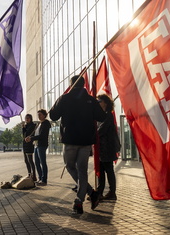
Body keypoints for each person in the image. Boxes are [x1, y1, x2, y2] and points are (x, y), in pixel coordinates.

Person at [49, 75, 106, 214]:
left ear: (71, 84)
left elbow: (53, 116)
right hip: (86, 141)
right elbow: (102, 117)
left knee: (70, 167)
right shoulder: (91, 100)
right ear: (84, 84)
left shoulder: (65, 98)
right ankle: (85, 197)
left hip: (70, 140)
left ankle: (87, 196)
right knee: (82, 171)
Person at [96, 94, 118, 200]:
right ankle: (100, 191)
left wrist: (92, 135)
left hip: (107, 148)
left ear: (105, 102)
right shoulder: (101, 115)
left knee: (109, 170)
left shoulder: (108, 115)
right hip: (101, 148)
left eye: (99, 101)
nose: (98, 103)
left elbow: (101, 130)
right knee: (101, 170)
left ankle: (112, 192)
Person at [25, 109, 51, 186]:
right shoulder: (39, 124)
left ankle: (44, 179)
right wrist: (30, 137)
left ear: (44, 115)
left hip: (42, 145)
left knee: (43, 162)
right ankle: (40, 178)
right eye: (38, 115)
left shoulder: (46, 123)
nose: (38, 116)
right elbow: (35, 134)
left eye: (40, 114)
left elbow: (42, 135)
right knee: (36, 162)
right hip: (36, 145)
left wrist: (31, 138)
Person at [22, 114, 37, 181]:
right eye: (26, 118)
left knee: (30, 160)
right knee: (26, 160)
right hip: (25, 145)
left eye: (28, 118)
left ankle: (34, 175)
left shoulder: (33, 126)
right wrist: (23, 128)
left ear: (31, 118)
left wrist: (23, 128)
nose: (27, 119)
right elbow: (23, 135)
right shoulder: (26, 126)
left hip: (30, 145)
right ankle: (29, 173)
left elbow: (26, 134)